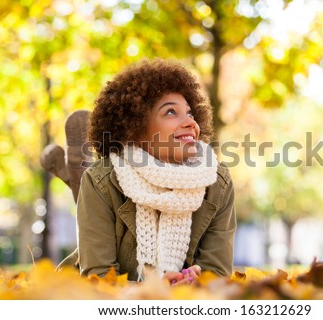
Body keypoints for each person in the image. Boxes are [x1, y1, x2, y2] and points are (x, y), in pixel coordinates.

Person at [58, 58, 236, 285]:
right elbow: (100, 278)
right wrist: (152, 291)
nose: (190, 123)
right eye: (171, 112)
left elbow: (217, 274)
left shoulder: (216, 182)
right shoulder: (100, 180)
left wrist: (195, 288)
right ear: (135, 127)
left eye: (190, 114)